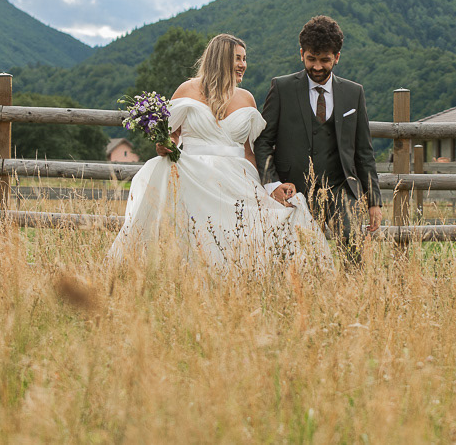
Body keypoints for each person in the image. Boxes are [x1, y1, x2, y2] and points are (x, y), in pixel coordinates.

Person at [107, 33, 330, 271]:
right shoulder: (187, 90)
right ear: (220, 59)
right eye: (237, 58)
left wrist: (269, 187)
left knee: (272, 218)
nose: (243, 64)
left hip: (237, 177)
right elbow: (172, 134)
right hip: (192, 176)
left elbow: (250, 152)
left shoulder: (246, 98)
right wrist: (164, 144)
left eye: (244, 58)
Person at [254, 16, 382, 258]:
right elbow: (263, 141)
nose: (317, 67)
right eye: (311, 58)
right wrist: (273, 184)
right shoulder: (282, 88)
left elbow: (364, 151)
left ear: (337, 57)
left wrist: (374, 200)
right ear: (301, 54)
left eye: (325, 60)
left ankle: (352, 284)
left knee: (353, 247)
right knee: (299, 257)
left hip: (341, 187)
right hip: (295, 190)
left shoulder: (354, 93)